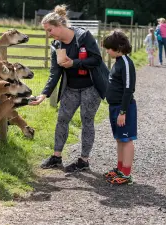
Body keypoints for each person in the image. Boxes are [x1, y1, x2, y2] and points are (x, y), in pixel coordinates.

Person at [29, 4, 108, 172]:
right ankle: (56, 157)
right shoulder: (56, 46)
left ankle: (83, 160)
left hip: (90, 87)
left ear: (59, 25)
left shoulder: (84, 36)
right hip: (70, 88)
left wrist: (74, 63)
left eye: (49, 30)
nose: (48, 34)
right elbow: (54, 73)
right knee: (62, 120)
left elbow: (96, 60)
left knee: (87, 121)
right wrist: (44, 94)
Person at [102, 30, 137, 185]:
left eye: (109, 48)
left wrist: (123, 112)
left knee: (126, 139)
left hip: (124, 108)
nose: (107, 51)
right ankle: (120, 169)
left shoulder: (127, 64)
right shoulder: (118, 62)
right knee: (119, 139)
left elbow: (129, 89)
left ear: (118, 48)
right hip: (114, 107)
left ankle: (127, 174)